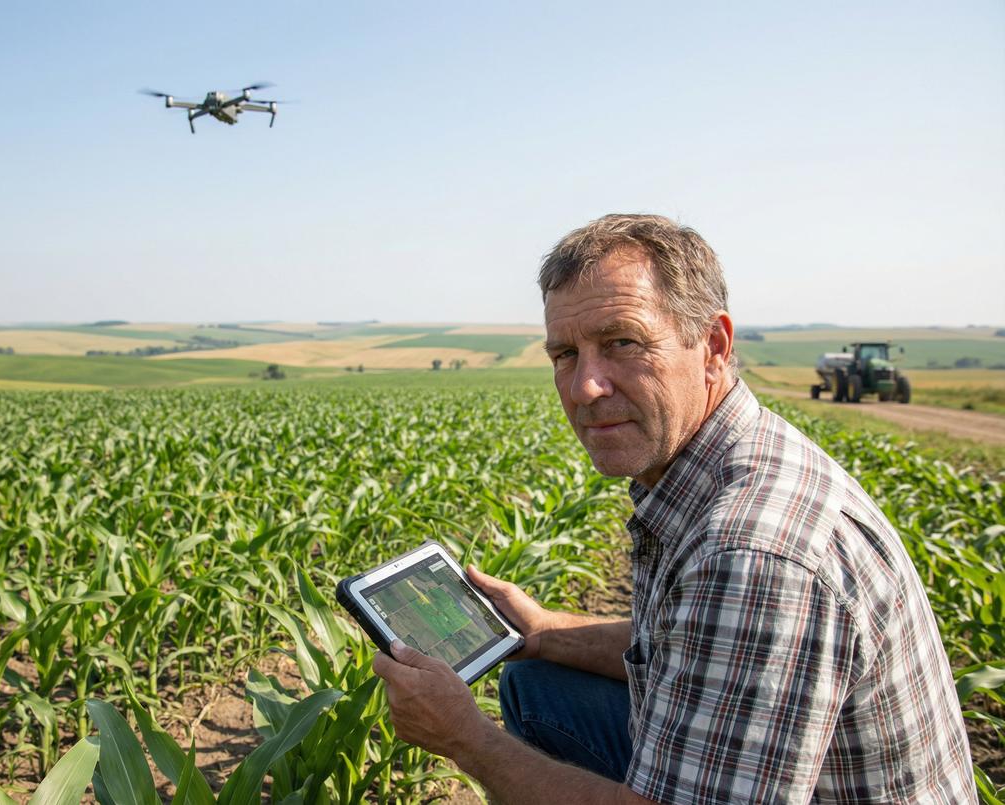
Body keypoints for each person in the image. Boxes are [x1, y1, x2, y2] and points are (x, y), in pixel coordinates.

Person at [373, 214, 975, 803]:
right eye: (565, 355)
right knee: (537, 683)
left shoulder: (750, 552)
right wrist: (542, 631)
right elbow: (690, 642)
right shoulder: (724, 458)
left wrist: (465, 739)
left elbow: (734, 604)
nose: (586, 386)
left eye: (622, 342)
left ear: (712, 346)